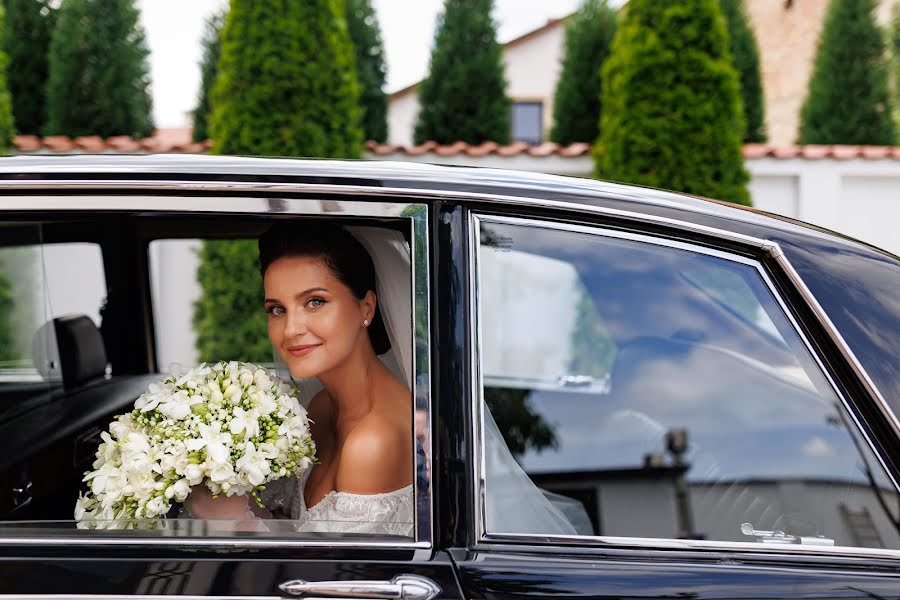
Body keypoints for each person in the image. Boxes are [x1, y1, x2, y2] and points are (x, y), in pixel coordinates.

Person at [185, 222, 415, 536]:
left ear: (366, 306)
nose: (291, 329)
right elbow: (296, 527)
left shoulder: (373, 442)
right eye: (277, 309)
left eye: (315, 302)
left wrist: (235, 523)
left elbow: (331, 579)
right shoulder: (322, 407)